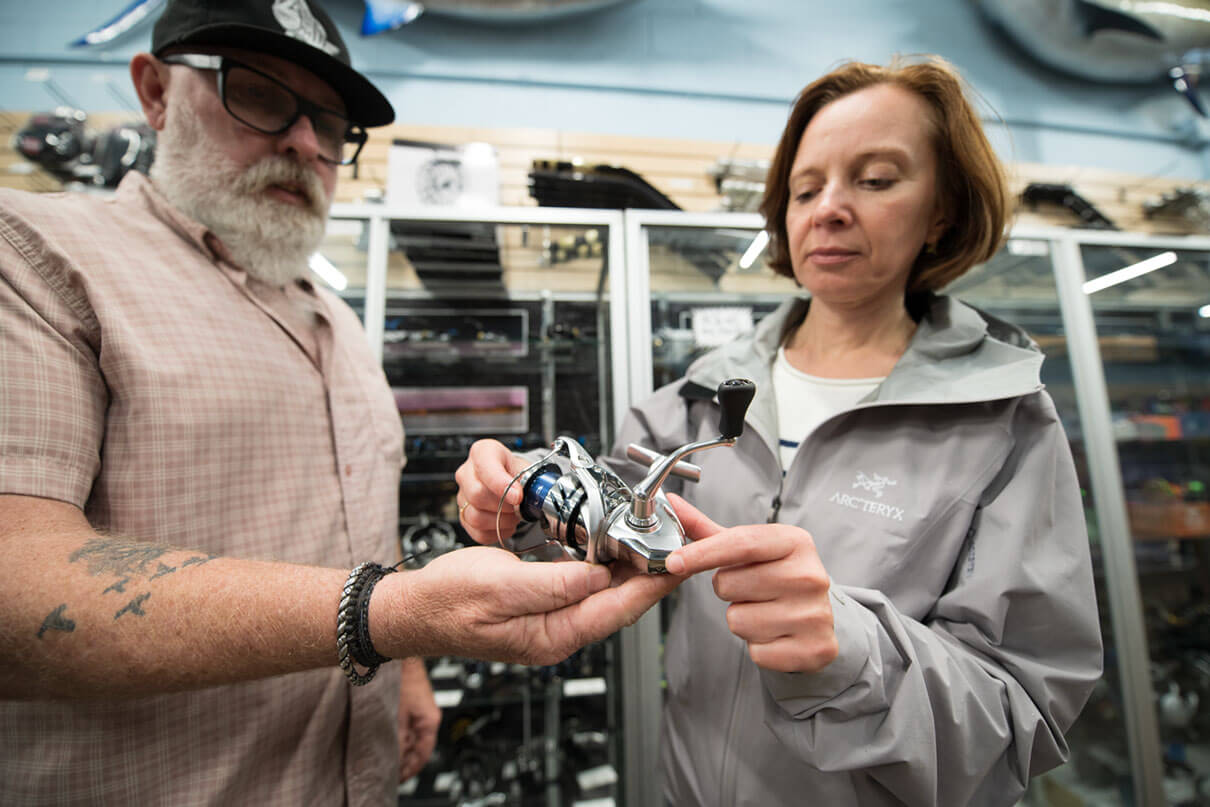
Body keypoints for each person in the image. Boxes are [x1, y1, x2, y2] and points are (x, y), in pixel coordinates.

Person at [0, 1, 678, 804]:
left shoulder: (340, 323)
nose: (303, 142)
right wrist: (386, 616)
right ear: (154, 92)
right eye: (257, 94)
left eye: (329, 122)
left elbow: (357, 521)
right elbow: (16, 586)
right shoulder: (35, 256)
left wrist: (409, 664)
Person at [455, 56, 1103, 806]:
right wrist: (522, 493)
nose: (827, 207)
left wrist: (854, 654)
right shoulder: (704, 394)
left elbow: (1025, 712)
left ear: (943, 213)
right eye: (806, 187)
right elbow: (602, 501)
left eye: (877, 178)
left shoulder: (1006, 421)